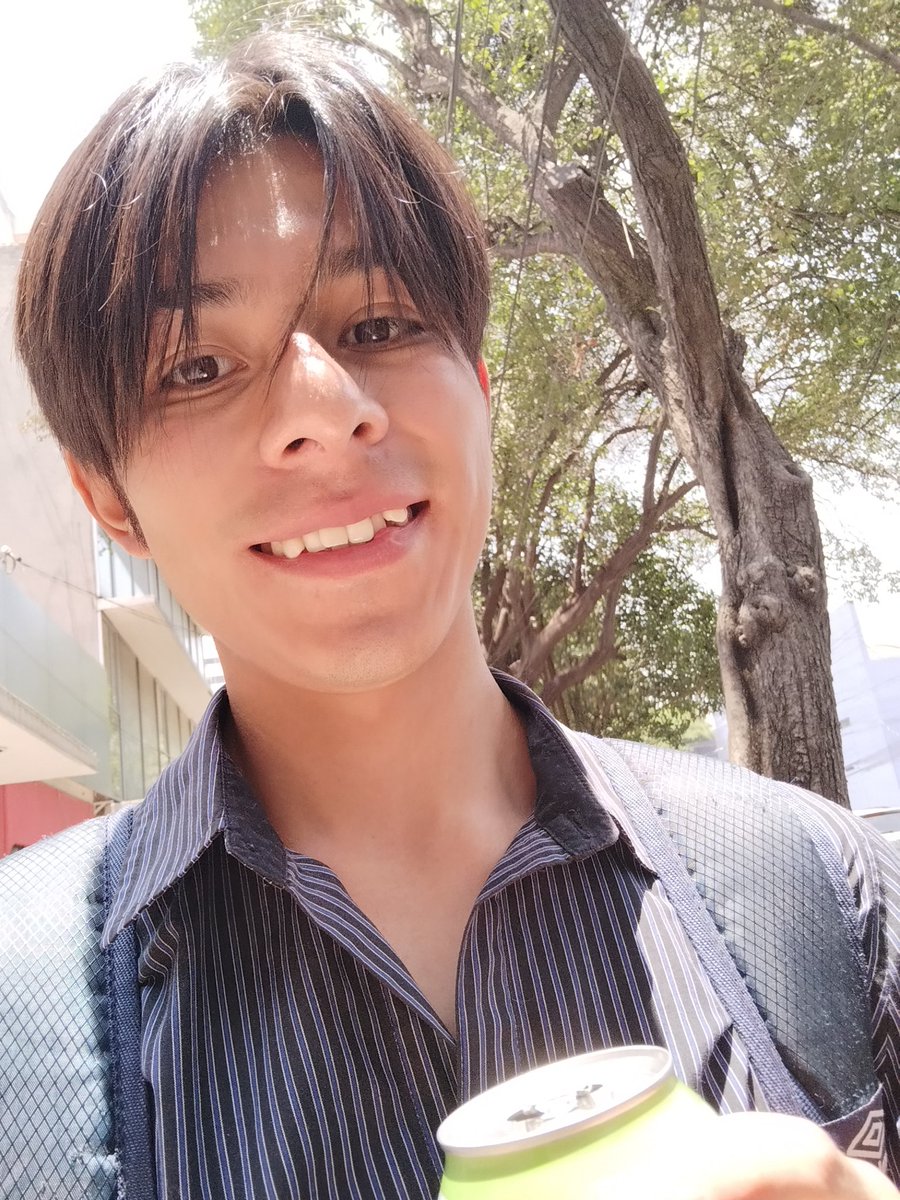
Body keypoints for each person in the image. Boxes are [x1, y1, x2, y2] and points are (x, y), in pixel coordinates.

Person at [5, 31, 900, 1200]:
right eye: (198, 368)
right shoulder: (23, 1017)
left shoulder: (825, 890)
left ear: (478, 389)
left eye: (378, 327)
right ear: (106, 497)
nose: (326, 410)